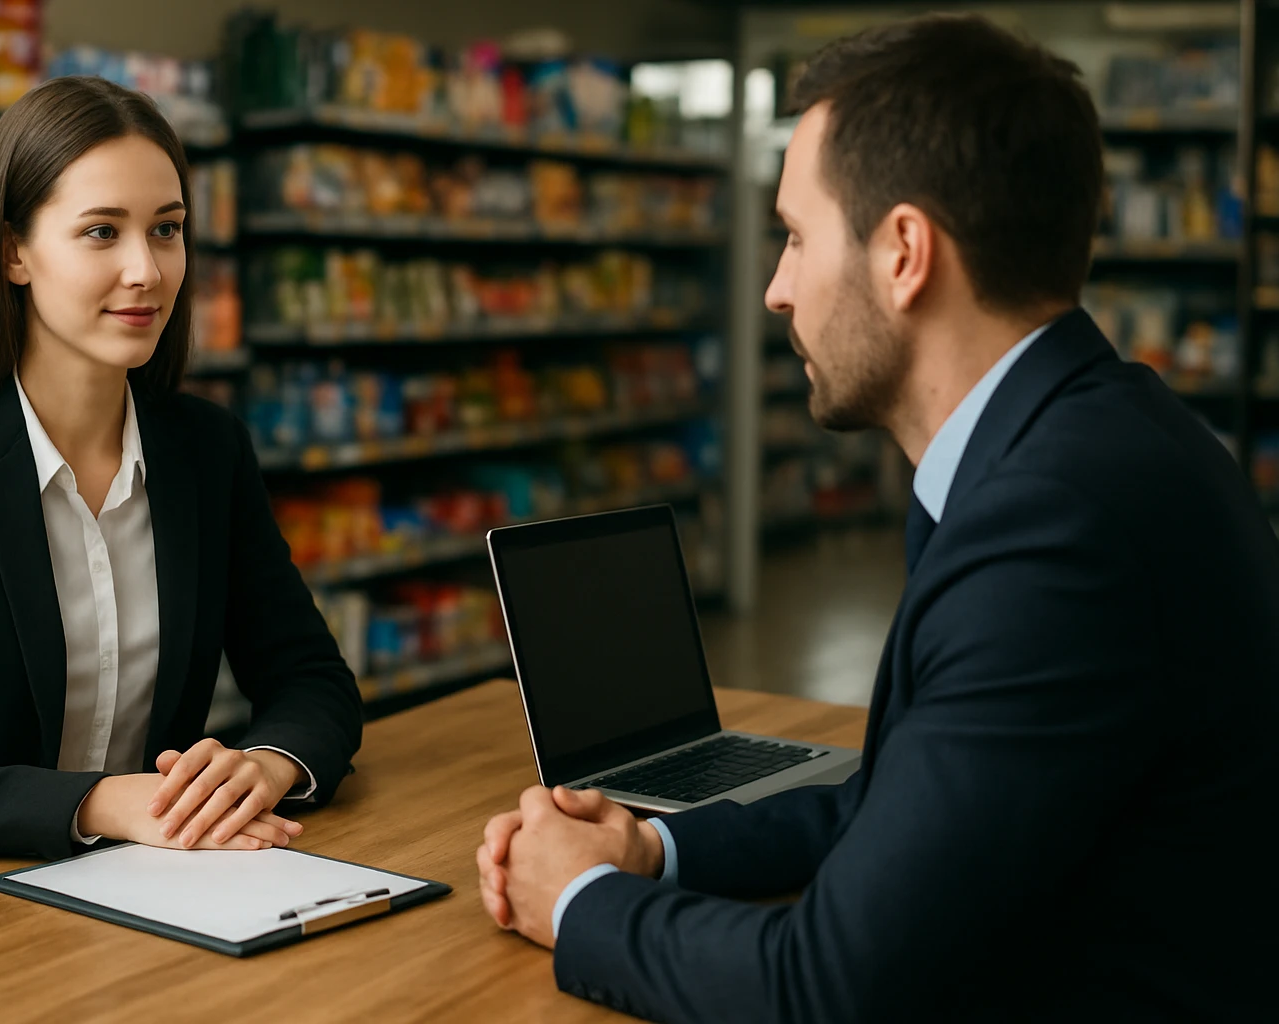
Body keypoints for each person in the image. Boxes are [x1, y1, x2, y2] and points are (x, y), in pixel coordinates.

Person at [476, 15, 1278, 1021]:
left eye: (798, 237)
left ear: (904, 252)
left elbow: (832, 988)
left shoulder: (1053, 528)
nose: (774, 289)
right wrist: (650, 846)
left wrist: (580, 898)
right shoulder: (1099, 437)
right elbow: (895, 807)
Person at [0, 77, 363, 883]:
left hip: (126, 890)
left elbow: (312, 678)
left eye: (167, 230)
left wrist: (267, 764)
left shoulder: (206, 450)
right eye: (102, 232)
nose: (147, 270)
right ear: (13, 252)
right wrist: (97, 804)